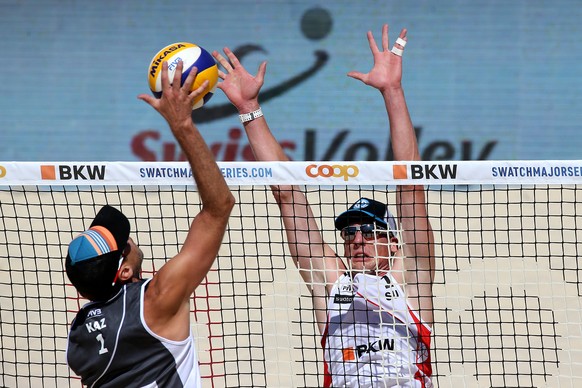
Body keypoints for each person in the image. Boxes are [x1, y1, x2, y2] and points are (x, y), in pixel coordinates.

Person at [213, 24, 435, 387]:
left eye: (369, 230)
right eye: (349, 232)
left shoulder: (410, 279)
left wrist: (392, 91)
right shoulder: (332, 286)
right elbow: (288, 195)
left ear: (394, 242)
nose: (357, 239)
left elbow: (410, 187)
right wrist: (249, 109)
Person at [65, 61, 235, 387]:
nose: (129, 241)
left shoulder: (79, 337)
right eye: (123, 243)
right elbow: (218, 208)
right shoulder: (157, 300)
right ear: (124, 271)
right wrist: (182, 123)